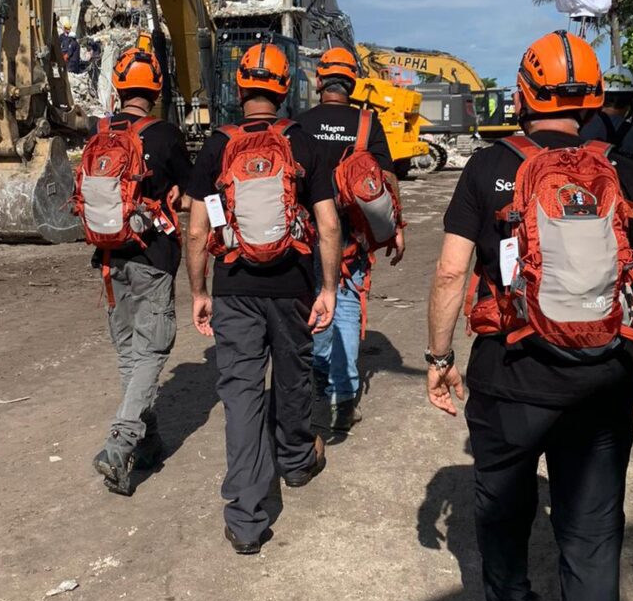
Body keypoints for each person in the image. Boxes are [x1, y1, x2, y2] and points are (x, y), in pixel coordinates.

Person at [426, 31, 633, 601]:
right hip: (602, 384)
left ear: (523, 94)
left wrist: (441, 359)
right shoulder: (630, 173)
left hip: (509, 382)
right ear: (596, 100)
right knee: (592, 541)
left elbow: (450, 275)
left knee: (501, 506)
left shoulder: (487, 170)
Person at [186, 42, 341, 555]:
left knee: (242, 395)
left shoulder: (216, 145)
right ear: (282, 87)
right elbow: (328, 223)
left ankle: (247, 518)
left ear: (239, 88)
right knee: (294, 375)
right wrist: (328, 287)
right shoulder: (304, 143)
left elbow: (196, 229)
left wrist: (199, 290)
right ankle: (296, 462)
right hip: (292, 284)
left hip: (234, 286)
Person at [87, 48, 194, 495]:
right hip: (152, 258)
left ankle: (146, 444)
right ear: (155, 90)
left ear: (118, 85)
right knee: (152, 352)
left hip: (110, 261)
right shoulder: (167, 135)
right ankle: (121, 441)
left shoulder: (100, 134)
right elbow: (190, 198)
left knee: (131, 354)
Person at [297, 46, 404, 432]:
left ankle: (320, 382)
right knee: (345, 308)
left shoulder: (302, 123)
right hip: (352, 236)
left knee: (317, 304)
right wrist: (397, 227)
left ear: (321, 80)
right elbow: (387, 177)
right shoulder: (366, 123)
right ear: (353, 82)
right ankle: (345, 398)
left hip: (310, 233)